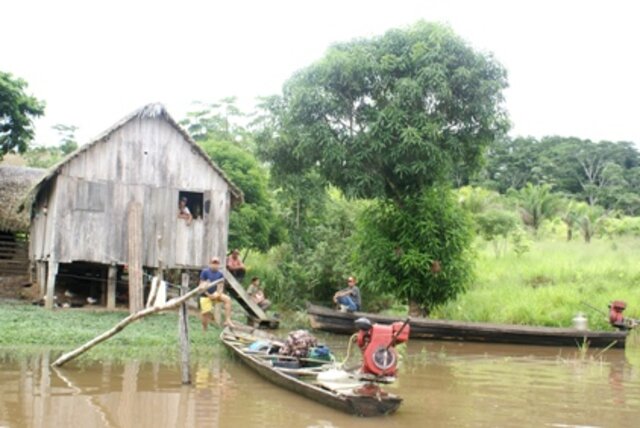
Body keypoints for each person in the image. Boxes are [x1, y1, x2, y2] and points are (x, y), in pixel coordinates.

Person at [199, 257, 233, 330]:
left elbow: (220, 286)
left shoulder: (220, 274)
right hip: (205, 295)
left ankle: (227, 320)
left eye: (217, 263)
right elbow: (201, 286)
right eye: (213, 263)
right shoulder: (205, 272)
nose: (215, 265)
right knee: (205, 314)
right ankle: (204, 329)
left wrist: (218, 294)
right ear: (210, 264)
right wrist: (208, 295)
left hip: (215, 294)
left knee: (228, 299)